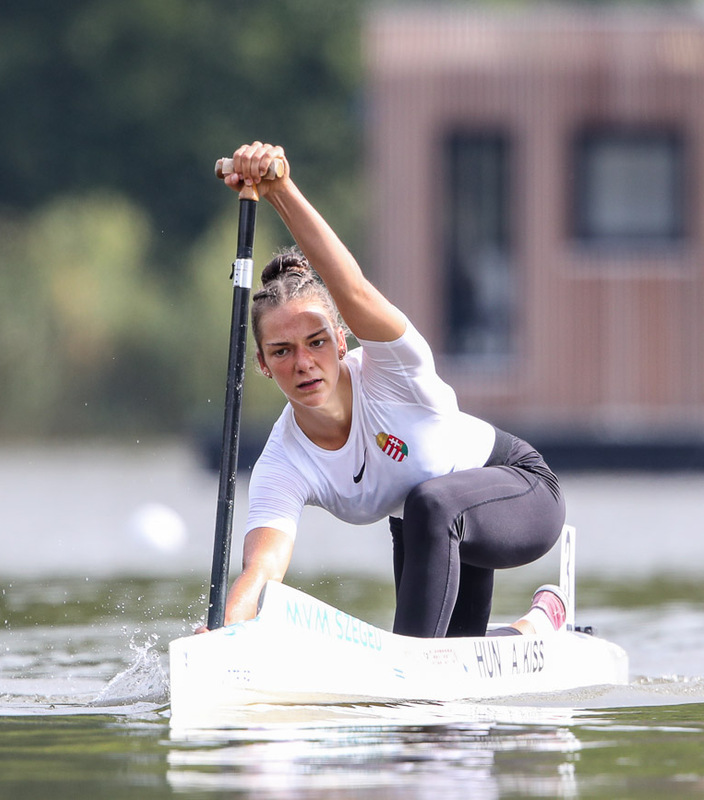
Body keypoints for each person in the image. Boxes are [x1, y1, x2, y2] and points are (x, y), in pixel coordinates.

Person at [216, 141, 567, 639]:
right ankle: (537, 627)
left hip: (518, 493)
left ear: (343, 340)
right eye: (282, 351)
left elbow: (352, 290)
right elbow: (263, 569)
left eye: (316, 342)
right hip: (431, 530)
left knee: (429, 506)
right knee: (451, 666)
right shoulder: (282, 461)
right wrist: (224, 632)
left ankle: (415, 674)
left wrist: (280, 190)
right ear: (263, 365)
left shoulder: (393, 368)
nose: (304, 363)